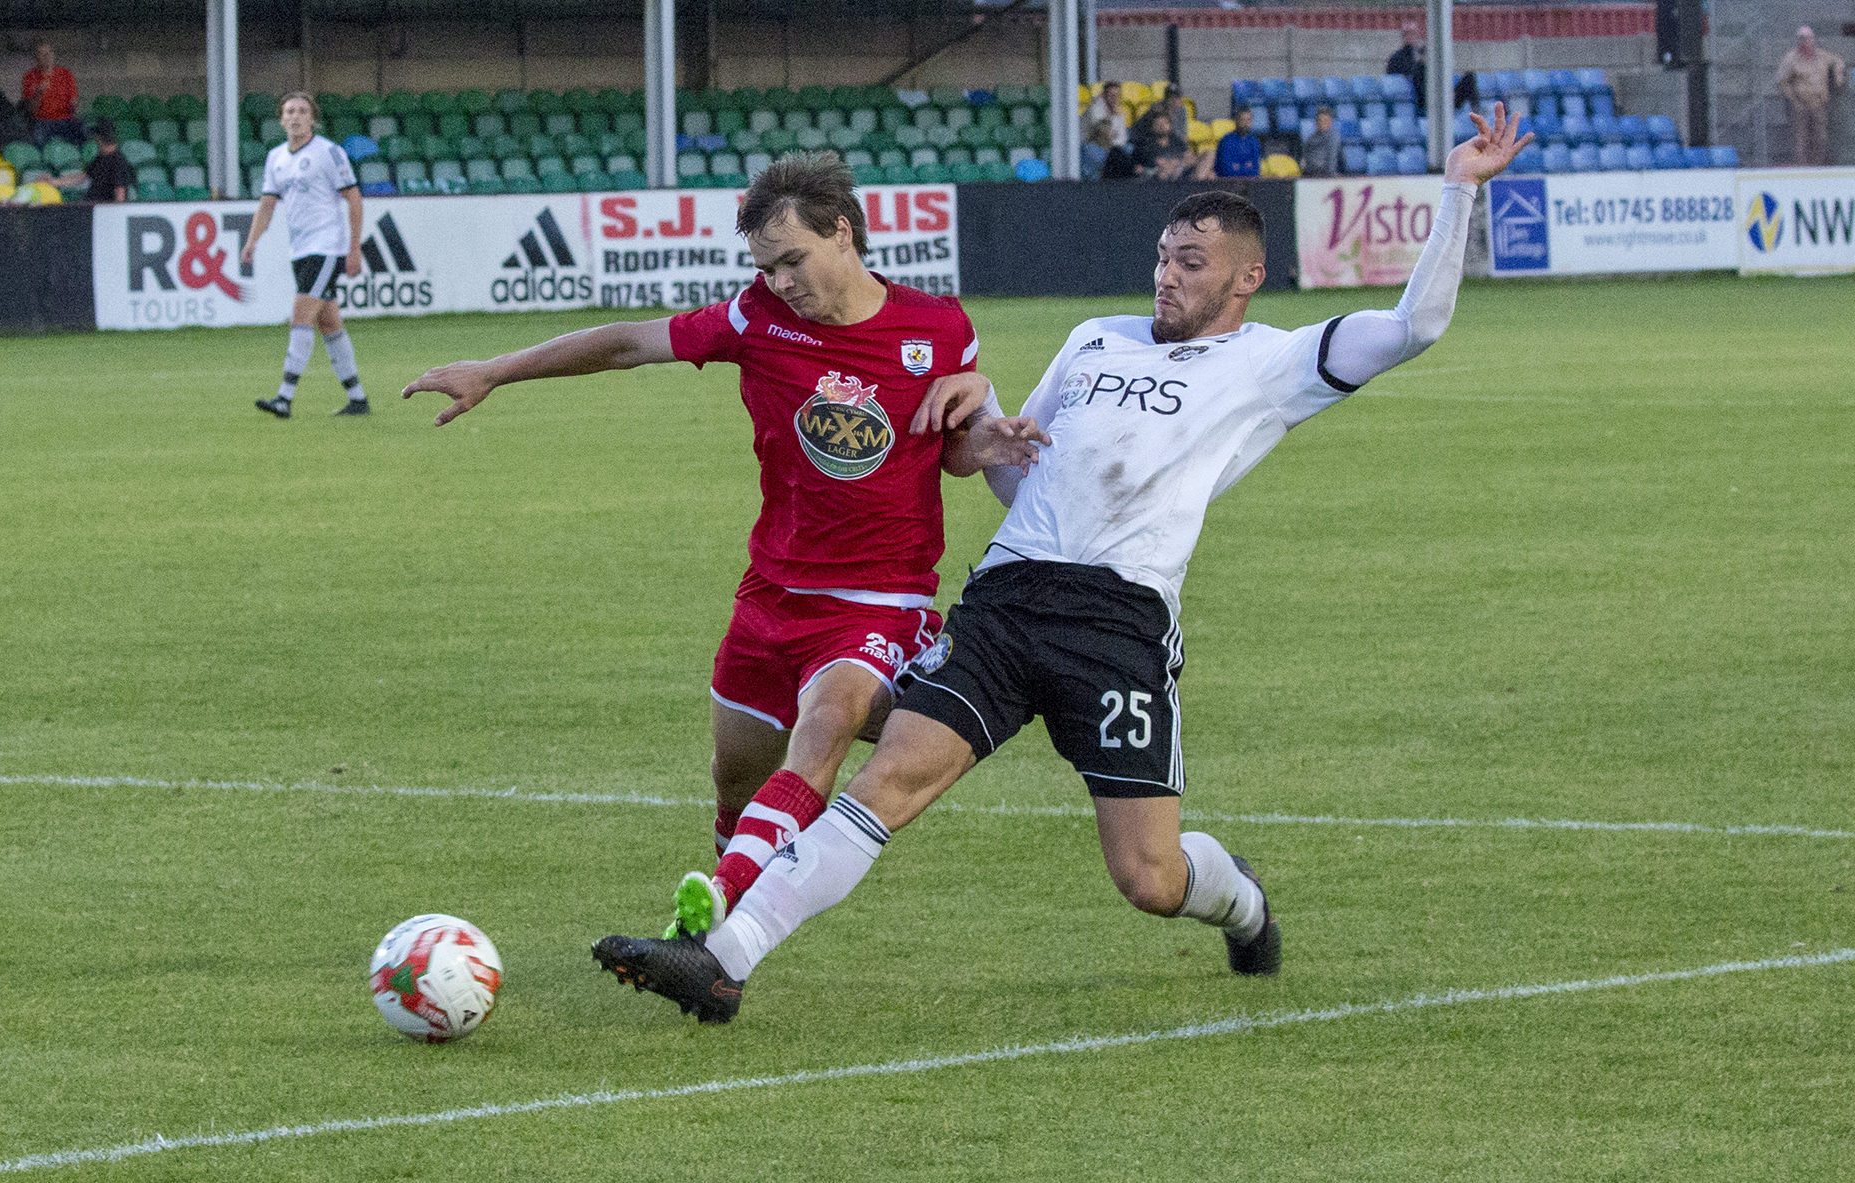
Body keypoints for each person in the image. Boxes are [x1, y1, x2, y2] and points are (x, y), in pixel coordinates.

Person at [592, 104, 1535, 1025]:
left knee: (1149, 878)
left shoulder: (1275, 362)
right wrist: (977, 403)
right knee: (891, 781)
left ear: (1247, 276)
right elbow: (1017, 471)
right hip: (1006, 596)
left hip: (1116, 623)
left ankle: (1240, 902)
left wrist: (1457, 191)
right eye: (1164, 256)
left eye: (1192, 263)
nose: (1167, 276)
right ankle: (724, 956)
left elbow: (1415, 327)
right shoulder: (1095, 336)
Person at [403, 153, 1045, 943]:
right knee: (736, 783)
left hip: (881, 596)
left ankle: (710, 922)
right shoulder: (756, 321)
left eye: (791, 260)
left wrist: (983, 433)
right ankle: (735, 878)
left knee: (826, 725)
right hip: (772, 595)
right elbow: (627, 343)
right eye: (766, 267)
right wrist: (495, 371)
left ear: (841, 232)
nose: (780, 281)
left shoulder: (939, 328)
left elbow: (945, 445)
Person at [242, 92, 369, 418]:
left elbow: (353, 199)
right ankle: (358, 399)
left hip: (326, 248)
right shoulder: (276, 158)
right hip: (299, 250)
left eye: (302, 111)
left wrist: (353, 249)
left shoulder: (329, 152)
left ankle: (284, 398)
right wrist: (252, 241)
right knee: (329, 323)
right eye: (289, 111)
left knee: (301, 317)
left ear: (313, 118)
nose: (295, 116)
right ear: (281, 119)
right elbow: (268, 203)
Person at [1777, 26, 1847, 167]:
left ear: (1813, 39)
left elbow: (1839, 62)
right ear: (1798, 40)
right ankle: (1801, 165)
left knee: (1820, 136)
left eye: (1808, 38)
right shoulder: (1791, 58)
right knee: (1800, 137)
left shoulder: (1822, 55)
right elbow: (1781, 80)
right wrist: (1793, 99)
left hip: (1818, 102)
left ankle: (1819, 165)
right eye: (1802, 38)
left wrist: (1837, 75)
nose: (1805, 41)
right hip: (1800, 103)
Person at [21, 42, 84, 146]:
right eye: (42, 53)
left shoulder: (66, 74)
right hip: (42, 121)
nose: (47, 56)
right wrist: (38, 94)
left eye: (49, 52)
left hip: (65, 119)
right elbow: (30, 109)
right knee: (37, 139)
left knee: (83, 131)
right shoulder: (29, 76)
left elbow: (74, 101)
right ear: (36, 58)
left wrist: (75, 106)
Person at [1083, 81, 1132, 180]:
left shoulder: (1119, 113)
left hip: (1113, 148)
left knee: (1130, 149)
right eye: (1111, 95)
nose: (1114, 99)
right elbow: (1102, 134)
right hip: (1097, 146)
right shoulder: (1096, 110)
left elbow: (1122, 138)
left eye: (1116, 95)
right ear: (1103, 96)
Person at [77, 119, 134, 202]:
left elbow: (120, 192)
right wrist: (55, 181)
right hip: (92, 204)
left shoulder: (118, 162)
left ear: (99, 139)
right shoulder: (100, 157)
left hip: (104, 208)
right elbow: (82, 177)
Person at [1387, 23, 1427, 111]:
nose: (1409, 36)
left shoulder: (1422, 55)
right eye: (1406, 33)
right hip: (1407, 98)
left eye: (1412, 33)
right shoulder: (1396, 58)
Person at [1213, 105, 1261, 177]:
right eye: (1242, 120)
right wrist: (1247, 167)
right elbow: (1228, 170)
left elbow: (1256, 171)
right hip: (1227, 182)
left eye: (1248, 120)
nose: (1246, 123)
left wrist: (1239, 167)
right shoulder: (1227, 140)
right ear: (1236, 121)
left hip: (1249, 182)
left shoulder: (1254, 142)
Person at [1302, 104, 1341, 177]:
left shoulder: (1333, 137)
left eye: (1325, 120)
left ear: (1330, 122)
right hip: (1309, 173)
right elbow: (1305, 156)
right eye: (1319, 120)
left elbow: (1331, 157)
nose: (1322, 123)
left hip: (1324, 174)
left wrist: (1330, 175)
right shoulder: (1310, 138)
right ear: (1316, 122)